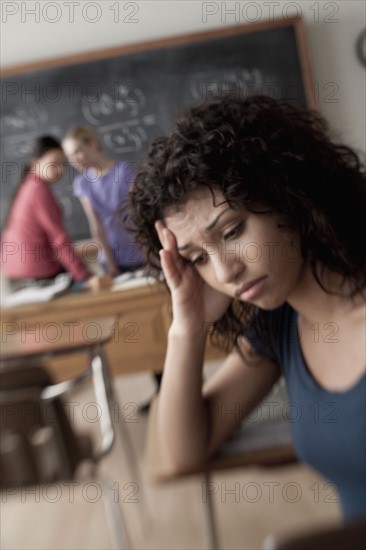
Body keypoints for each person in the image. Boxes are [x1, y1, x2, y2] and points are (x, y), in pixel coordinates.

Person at [128, 95, 366, 522]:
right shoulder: (280, 326)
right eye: (198, 257)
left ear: (288, 196)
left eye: (233, 230)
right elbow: (184, 453)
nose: (225, 270)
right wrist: (187, 325)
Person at [1, 136, 93, 289]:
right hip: (37, 271)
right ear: (35, 163)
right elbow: (58, 238)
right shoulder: (38, 190)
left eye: (63, 164)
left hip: (14, 271)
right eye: (54, 164)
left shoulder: (28, 185)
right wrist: (84, 277)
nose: (61, 170)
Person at [62, 126, 144, 277]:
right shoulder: (82, 183)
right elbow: (96, 225)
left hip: (140, 253)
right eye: (69, 157)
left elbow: (140, 216)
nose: (74, 160)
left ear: (92, 145)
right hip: (111, 258)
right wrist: (111, 265)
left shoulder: (124, 171)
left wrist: (149, 254)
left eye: (77, 152)